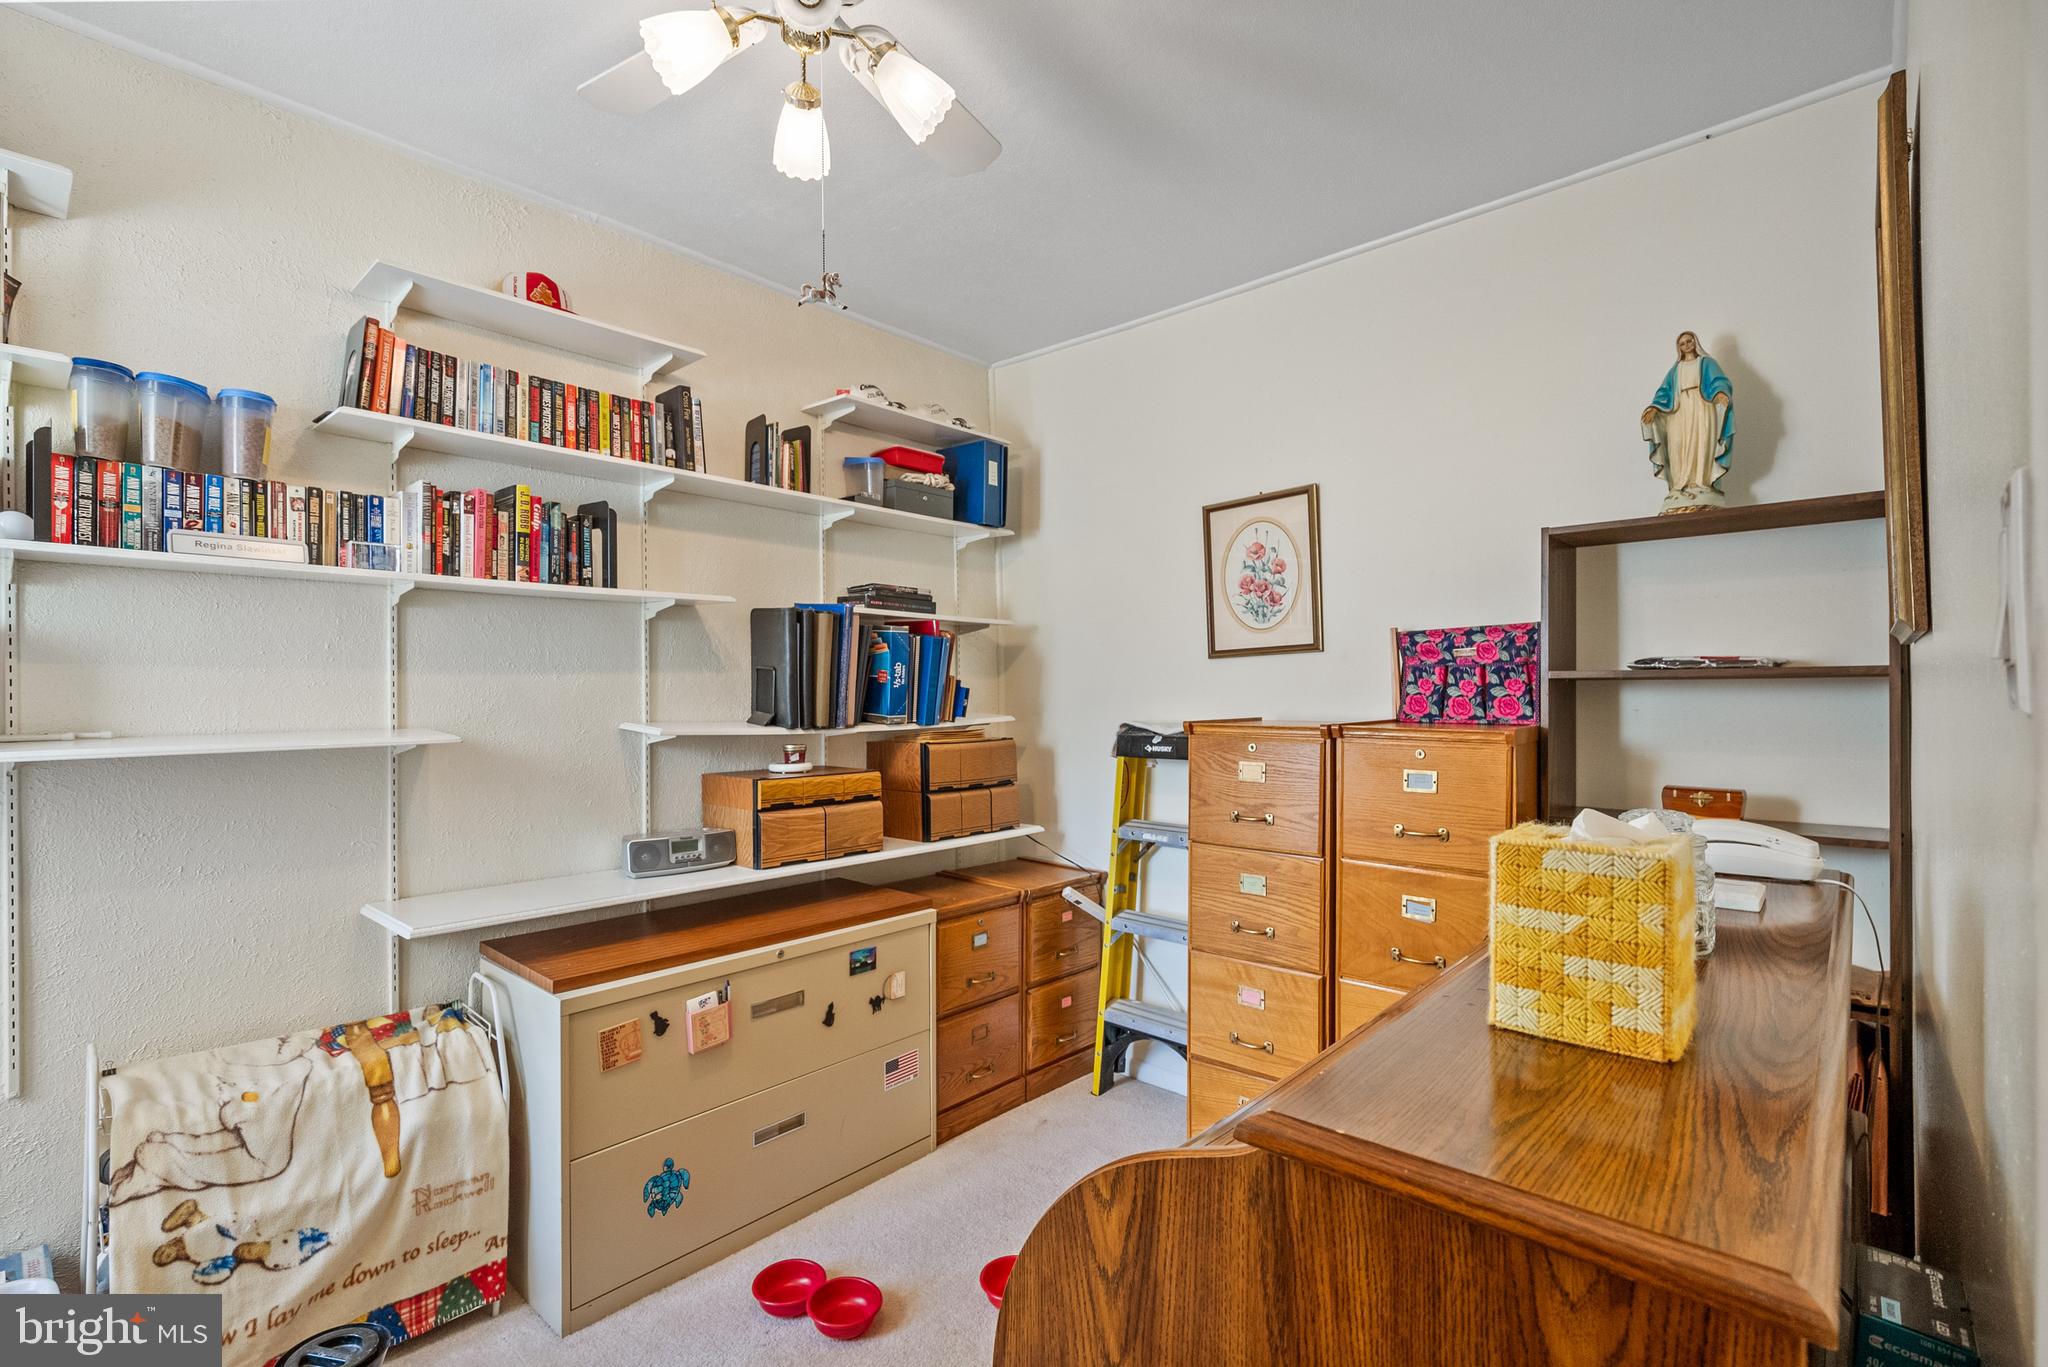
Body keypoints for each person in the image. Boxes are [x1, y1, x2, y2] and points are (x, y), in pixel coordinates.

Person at [1641, 330, 1735, 513]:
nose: (1686, 345)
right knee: (1677, 446)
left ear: (1695, 342)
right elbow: (1664, 392)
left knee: (1702, 444)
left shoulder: (1706, 363)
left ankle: (1702, 483)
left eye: (1689, 341)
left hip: (1702, 408)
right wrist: (1654, 408)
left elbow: (1719, 381)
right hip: (1679, 411)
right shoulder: (1676, 370)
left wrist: (1720, 393)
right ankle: (1679, 486)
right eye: (1682, 343)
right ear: (1679, 348)